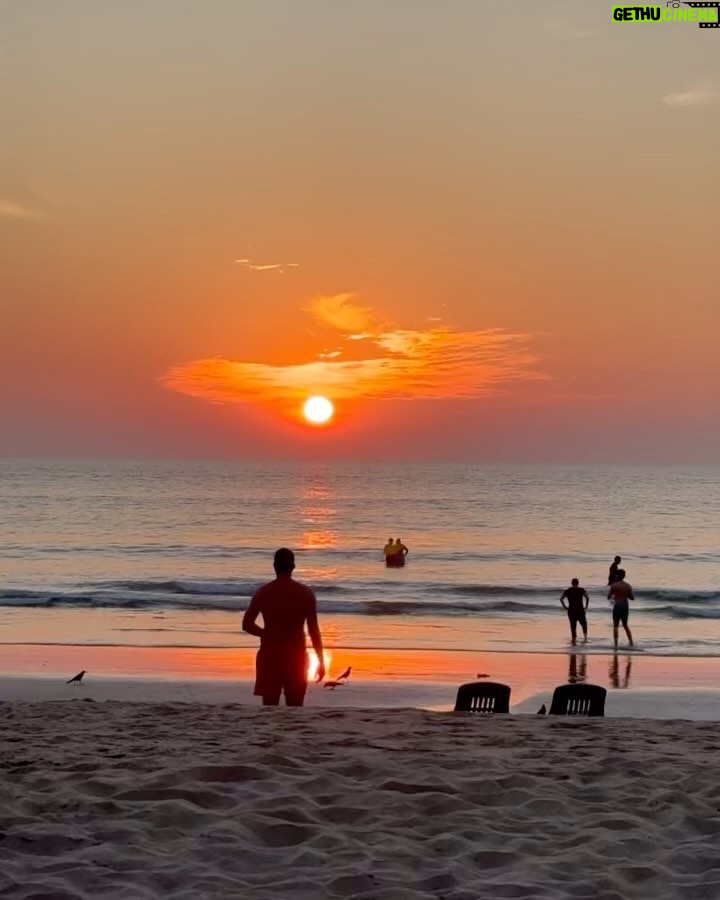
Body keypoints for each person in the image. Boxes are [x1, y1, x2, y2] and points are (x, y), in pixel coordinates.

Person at [242, 547, 325, 706]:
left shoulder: (263, 592)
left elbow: (247, 624)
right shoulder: (305, 593)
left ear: (274, 566)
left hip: (270, 654)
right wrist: (320, 661)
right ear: (293, 567)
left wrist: (265, 633)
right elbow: (314, 631)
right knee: (295, 708)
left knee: (269, 710)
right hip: (295, 655)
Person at [607, 568, 634, 649]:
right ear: (624, 576)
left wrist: (614, 595)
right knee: (625, 625)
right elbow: (632, 598)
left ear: (617, 576)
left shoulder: (614, 586)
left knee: (615, 626)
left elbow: (609, 597)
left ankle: (615, 644)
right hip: (625, 606)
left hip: (617, 606)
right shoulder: (628, 586)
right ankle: (631, 643)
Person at [559, 578, 589, 645]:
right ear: (578, 583)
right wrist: (586, 606)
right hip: (580, 610)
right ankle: (585, 638)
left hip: (571, 611)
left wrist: (565, 607)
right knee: (584, 624)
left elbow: (561, 599)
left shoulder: (567, 591)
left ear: (572, 583)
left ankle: (574, 640)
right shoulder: (581, 590)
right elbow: (587, 597)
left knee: (573, 626)